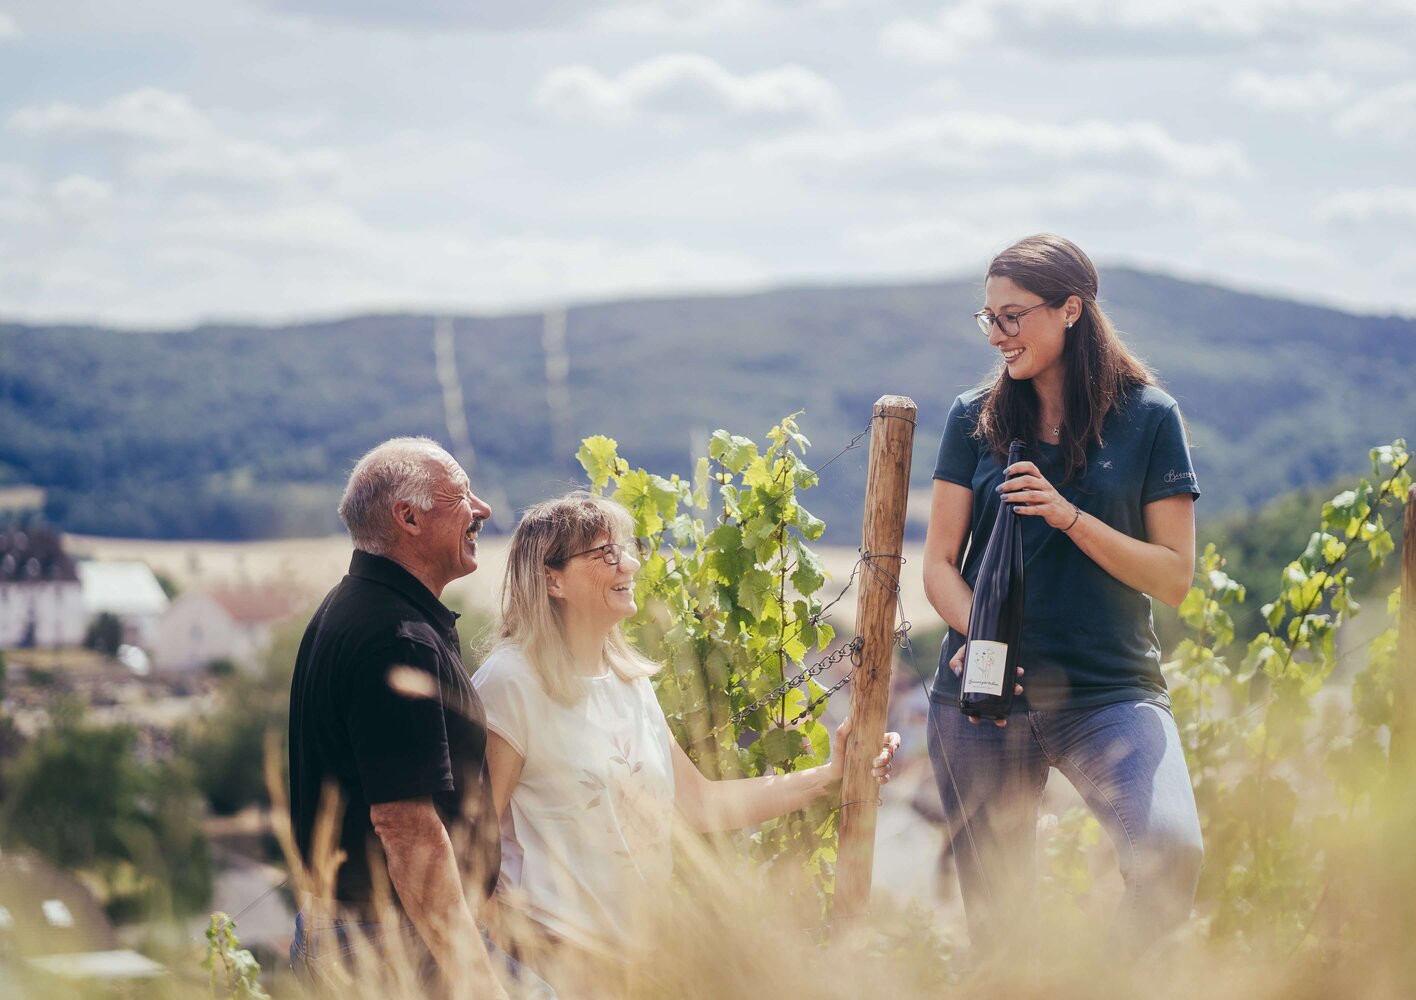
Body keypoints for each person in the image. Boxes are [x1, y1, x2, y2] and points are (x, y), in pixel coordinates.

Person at [470, 492, 901, 982]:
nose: (629, 563)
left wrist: (831, 777)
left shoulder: (629, 680)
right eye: (605, 554)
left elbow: (698, 804)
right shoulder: (510, 683)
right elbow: (471, 849)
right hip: (549, 967)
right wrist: (513, 964)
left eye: (627, 548)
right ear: (551, 579)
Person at [922, 234, 1204, 958]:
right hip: (983, 701)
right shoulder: (970, 417)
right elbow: (939, 567)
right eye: (988, 318)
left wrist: (1069, 516)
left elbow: (1173, 576)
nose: (998, 335)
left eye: (1013, 316)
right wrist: (979, 641)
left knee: (1170, 856)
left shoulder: (1149, 418)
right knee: (1003, 934)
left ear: (1071, 310)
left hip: (1109, 691)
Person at [287, 436, 545, 999]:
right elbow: (406, 829)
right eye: (461, 496)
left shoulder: (355, 607)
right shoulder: (396, 640)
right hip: (389, 944)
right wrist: (478, 980)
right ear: (408, 517)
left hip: (367, 932)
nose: (483, 511)